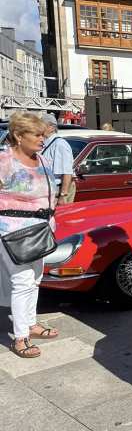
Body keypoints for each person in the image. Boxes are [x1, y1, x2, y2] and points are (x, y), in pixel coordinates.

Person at [0, 113, 59, 358]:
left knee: (35, 279)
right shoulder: (5, 160)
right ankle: (21, 336)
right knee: (22, 282)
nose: (42, 139)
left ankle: (31, 323)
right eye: (37, 135)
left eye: (43, 135)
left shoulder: (42, 159)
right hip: (14, 231)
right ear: (18, 136)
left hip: (41, 229)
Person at [41, 113, 76, 204]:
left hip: (58, 190)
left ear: (52, 127)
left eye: (41, 125)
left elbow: (67, 172)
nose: (38, 128)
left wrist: (63, 196)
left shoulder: (60, 144)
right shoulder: (45, 143)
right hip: (49, 190)